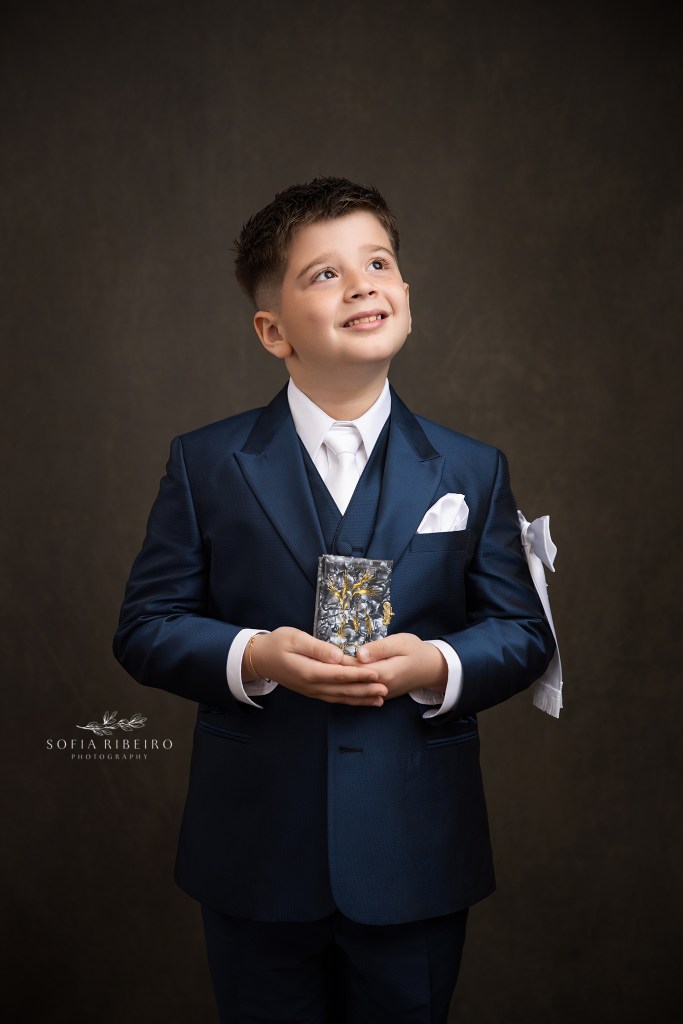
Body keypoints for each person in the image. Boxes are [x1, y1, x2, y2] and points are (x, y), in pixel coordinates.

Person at [113, 177, 556, 1023]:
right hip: (253, 850)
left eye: (378, 263)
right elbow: (144, 627)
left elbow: (519, 630)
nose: (360, 285)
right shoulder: (205, 464)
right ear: (272, 331)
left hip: (416, 848)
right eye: (323, 273)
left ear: (405, 296)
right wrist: (256, 657)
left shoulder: (470, 470)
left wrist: (438, 663)